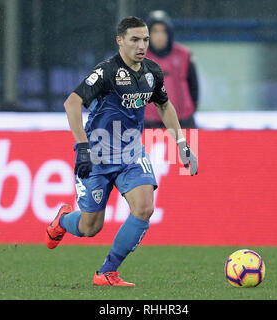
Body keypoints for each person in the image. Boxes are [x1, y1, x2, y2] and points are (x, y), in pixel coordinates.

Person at [45, 16, 198, 286]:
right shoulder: (106, 72)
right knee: (90, 227)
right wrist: (82, 146)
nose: (142, 46)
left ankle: (106, 271)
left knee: (144, 209)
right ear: (120, 41)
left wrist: (183, 144)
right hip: (98, 156)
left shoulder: (152, 71)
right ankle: (63, 220)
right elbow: (72, 103)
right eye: (135, 40)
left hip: (131, 154)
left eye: (145, 40)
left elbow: (164, 105)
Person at [144, 10, 199, 128]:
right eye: (155, 31)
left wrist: (189, 112)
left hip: (183, 122)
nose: (160, 36)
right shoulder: (138, 58)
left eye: (163, 31)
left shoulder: (184, 55)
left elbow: (193, 87)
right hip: (149, 123)